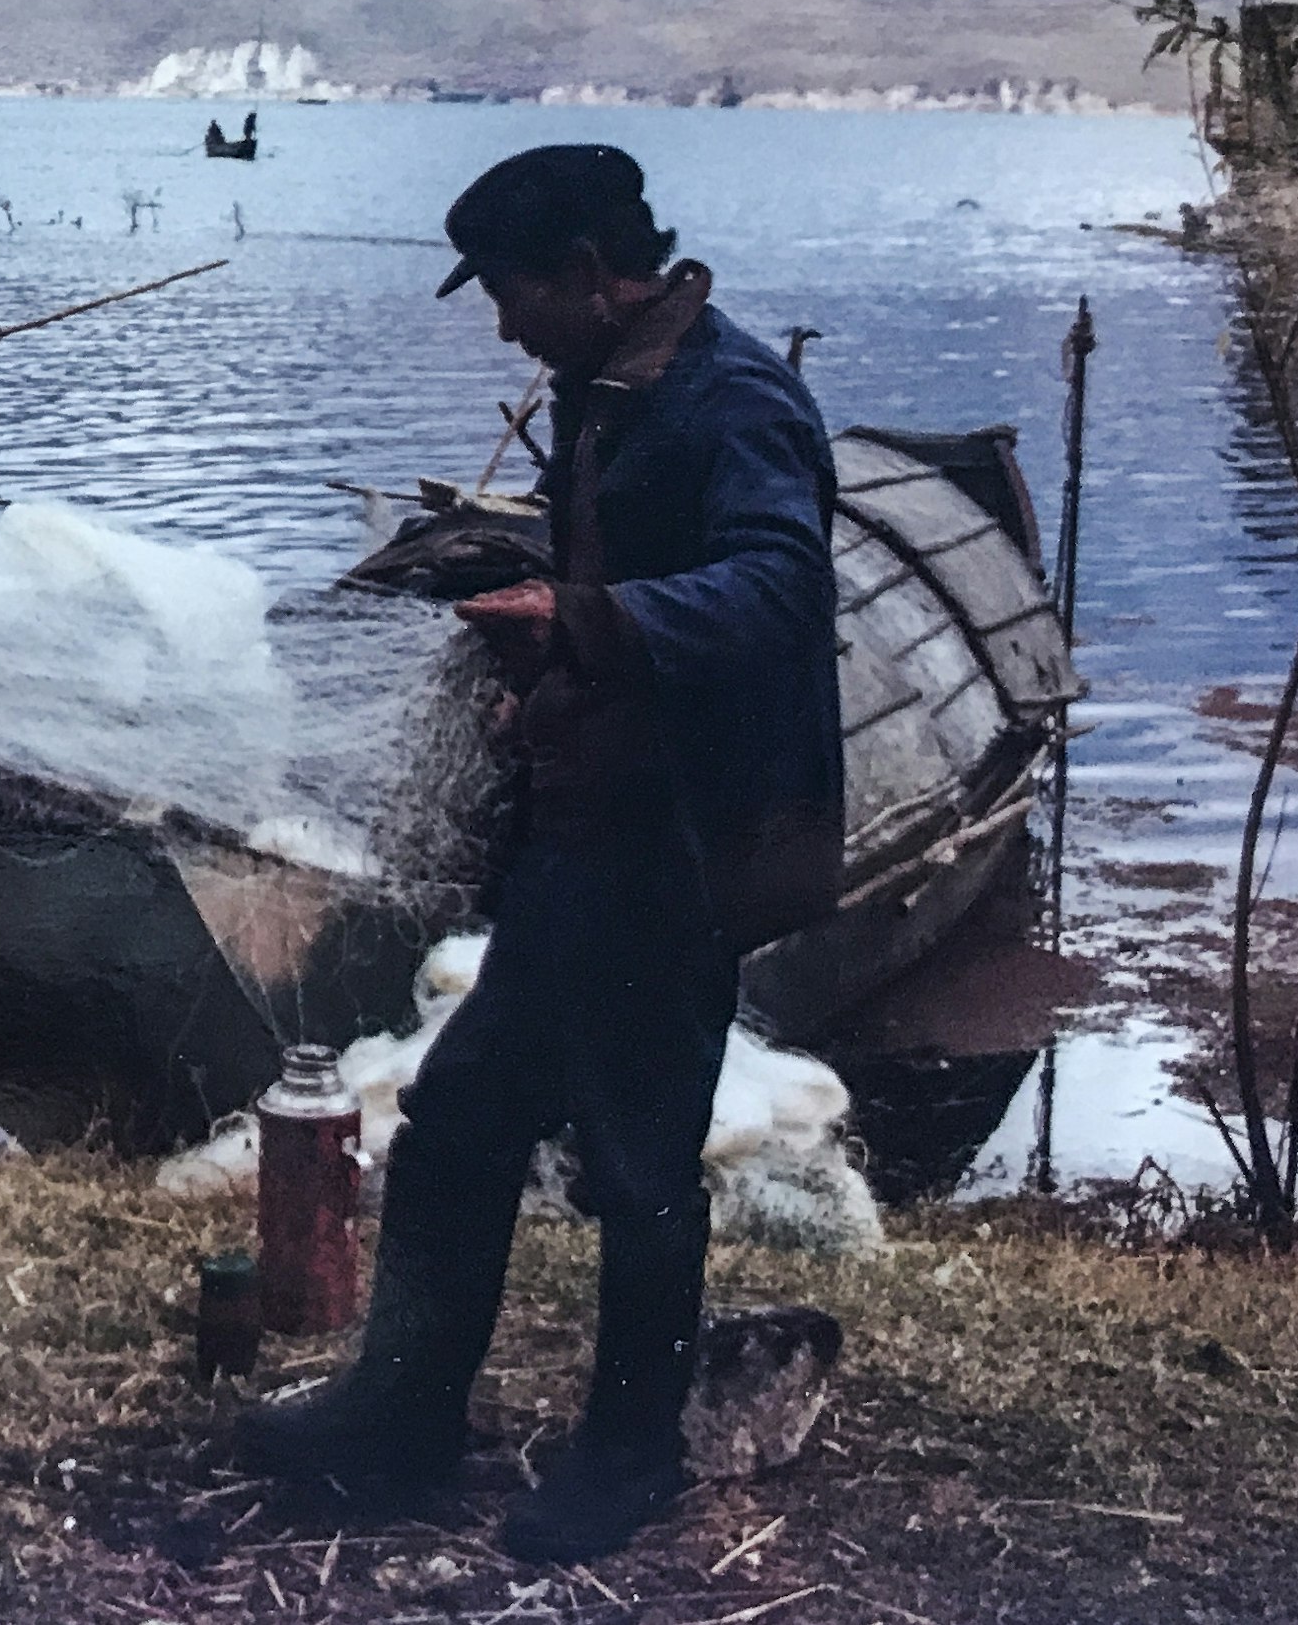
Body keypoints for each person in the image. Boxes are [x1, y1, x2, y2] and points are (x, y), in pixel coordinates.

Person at [234, 142, 844, 1561]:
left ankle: (627, 1464)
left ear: (586, 273)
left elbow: (778, 583)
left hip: (684, 849)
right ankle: (398, 1419)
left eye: (512, 294)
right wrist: (553, 676)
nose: (503, 326)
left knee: (637, 1161)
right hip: (597, 835)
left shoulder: (733, 401)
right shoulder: (613, 395)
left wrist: (577, 623)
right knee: (460, 1122)